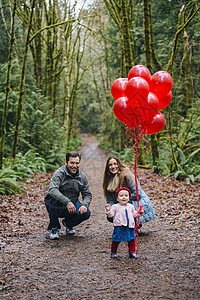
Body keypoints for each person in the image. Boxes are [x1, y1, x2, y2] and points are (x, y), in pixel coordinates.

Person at [45, 152, 92, 240]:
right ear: (66, 162)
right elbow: (52, 190)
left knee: (86, 213)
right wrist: (67, 202)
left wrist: (84, 205)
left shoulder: (82, 177)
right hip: (56, 203)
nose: (74, 166)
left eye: (77, 163)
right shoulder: (59, 173)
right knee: (52, 201)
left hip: (73, 202)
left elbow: (87, 194)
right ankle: (53, 228)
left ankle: (68, 224)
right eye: (72, 163)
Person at [103, 155, 155, 225]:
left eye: (115, 164)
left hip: (135, 201)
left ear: (119, 164)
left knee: (126, 210)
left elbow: (137, 193)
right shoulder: (108, 180)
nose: (113, 167)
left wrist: (123, 201)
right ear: (108, 167)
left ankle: (135, 222)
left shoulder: (127, 175)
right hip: (121, 203)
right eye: (110, 165)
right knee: (111, 215)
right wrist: (112, 209)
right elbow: (110, 199)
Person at [105, 187, 144, 258]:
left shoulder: (131, 206)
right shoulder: (115, 206)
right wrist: (108, 211)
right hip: (119, 226)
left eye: (126, 196)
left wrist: (139, 212)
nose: (124, 197)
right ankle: (113, 251)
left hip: (130, 226)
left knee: (132, 239)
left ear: (129, 198)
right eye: (121, 196)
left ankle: (132, 252)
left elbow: (134, 215)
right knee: (116, 239)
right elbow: (111, 215)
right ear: (117, 198)